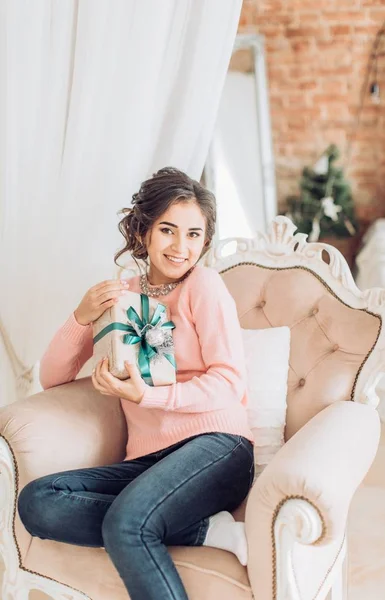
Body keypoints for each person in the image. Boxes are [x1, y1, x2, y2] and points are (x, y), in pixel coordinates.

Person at [17, 166, 254, 600]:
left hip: (217, 446)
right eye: (168, 230)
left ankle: (161, 521)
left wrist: (148, 395)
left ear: (205, 241)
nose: (181, 247)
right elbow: (53, 377)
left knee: (127, 523)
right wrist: (80, 317)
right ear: (144, 231)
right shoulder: (122, 294)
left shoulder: (203, 285)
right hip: (148, 459)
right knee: (37, 501)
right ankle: (204, 530)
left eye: (194, 235)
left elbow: (229, 383)